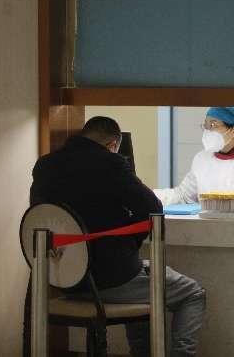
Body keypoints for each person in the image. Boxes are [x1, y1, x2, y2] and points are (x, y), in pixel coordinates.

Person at [29, 116, 205, 356]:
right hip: (109, 279)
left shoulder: (45, 165)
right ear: (113, 144)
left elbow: (41, 216)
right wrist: (130, 244)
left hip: (62, 280)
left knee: (143, 280)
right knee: (192, 293)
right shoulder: (111, 163)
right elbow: (152, 209)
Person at [155, 107, 234, 205]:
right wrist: (150, 195)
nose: (208, 131)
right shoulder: (201, 159)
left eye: (213, 125)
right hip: (208, 216)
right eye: (206, 125)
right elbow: (183, 196)